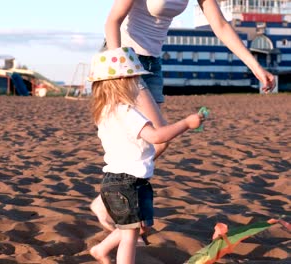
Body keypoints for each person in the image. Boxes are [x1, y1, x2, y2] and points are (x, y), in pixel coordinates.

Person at [90, 0, 276, 234]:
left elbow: (220, 26)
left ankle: (108, 199)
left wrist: (255, 67)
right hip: (123, 60)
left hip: (152, 63)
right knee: (158, 136)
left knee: (151, 141)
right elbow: (112, 21)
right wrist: (121, 71)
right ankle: (111, 199)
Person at [87, 47, 206, 264]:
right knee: (131, 235)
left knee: (138, 226)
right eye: (136, 79)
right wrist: (187, 123)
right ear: (123, 81)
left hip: (119, 181)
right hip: (127, 183)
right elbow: (157, 136)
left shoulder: (104, 111)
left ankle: (101, 250)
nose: (139, 85)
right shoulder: (126, 112)